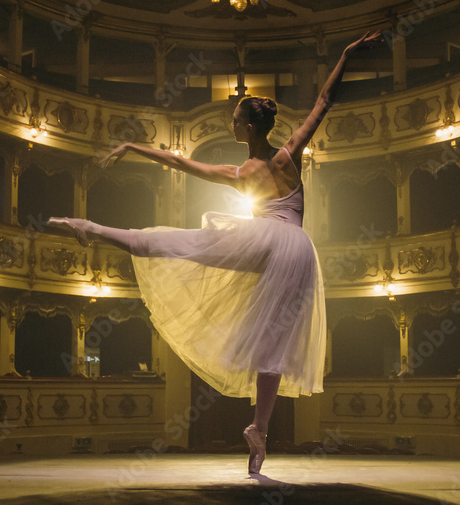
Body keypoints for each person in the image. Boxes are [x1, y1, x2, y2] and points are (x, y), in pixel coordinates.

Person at [48, 32, 382, 474]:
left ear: (246, 128)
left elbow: (178, 162)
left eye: (233, 117)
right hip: (299, 251)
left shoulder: (239, 172)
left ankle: (91, 228)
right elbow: (324, 100)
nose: (229, 120)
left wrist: (133, 146)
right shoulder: (288, 156)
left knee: (180, 244)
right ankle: (259, 429)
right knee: (272, 345)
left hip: (263, 241)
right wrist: (346, 54)